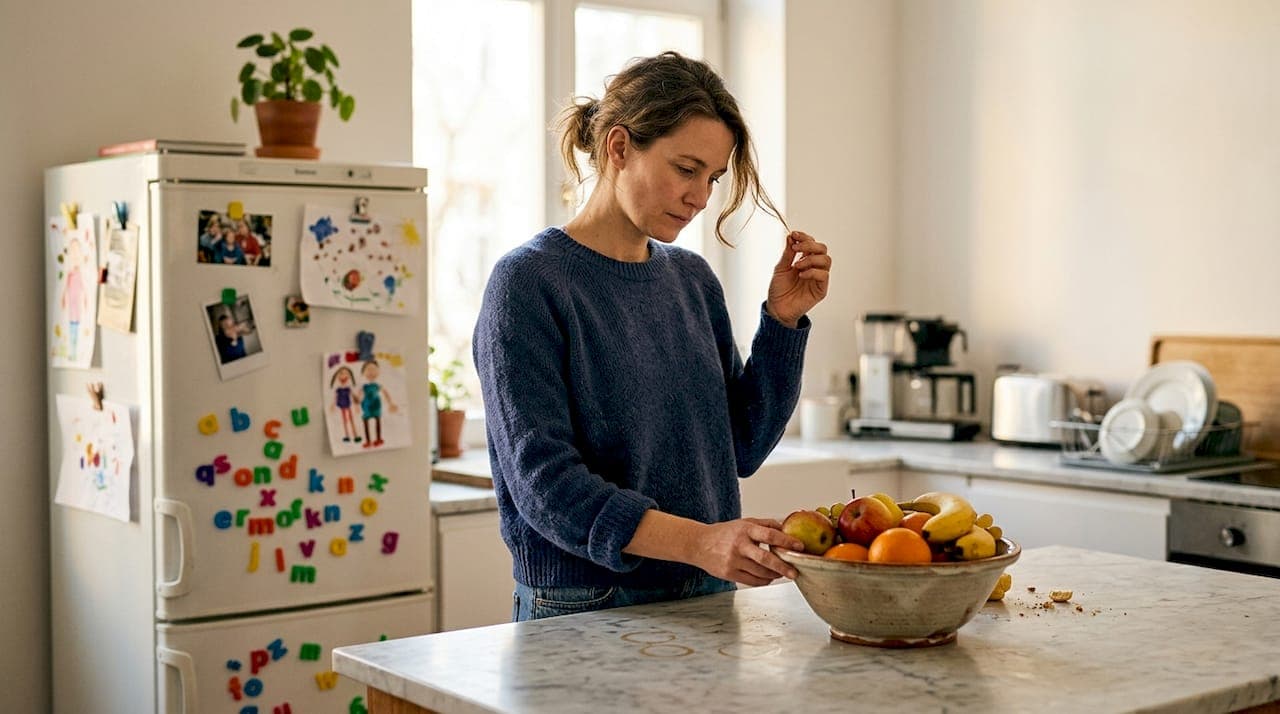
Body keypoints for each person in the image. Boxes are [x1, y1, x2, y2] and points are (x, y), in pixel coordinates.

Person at [472, 51, 832, 622]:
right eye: (686, 169)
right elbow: (547, 487)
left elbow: (740, 446)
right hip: (583, 607)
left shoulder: (691, 280)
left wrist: (782, 323)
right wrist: (702, 542)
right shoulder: (529, 283)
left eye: (712, 178)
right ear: (619, 147)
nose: (701, 196)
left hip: (705, 594)